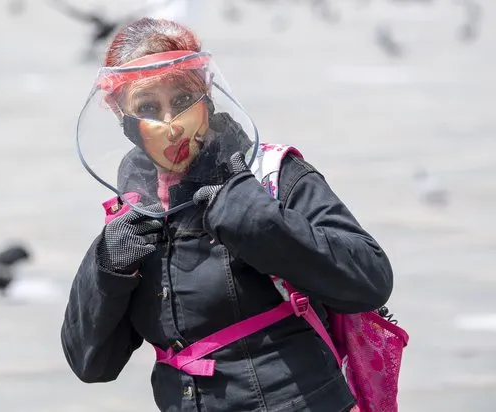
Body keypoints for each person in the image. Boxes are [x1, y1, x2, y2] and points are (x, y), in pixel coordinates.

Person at [62, 17, 393, 412]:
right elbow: (91, 364)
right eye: (148, 107)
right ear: (120, 114)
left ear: (206, 93)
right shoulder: (132, 213)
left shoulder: (270, 174)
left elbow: (370, 280)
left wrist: (248, 214)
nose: (170, 125)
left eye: (183, 100)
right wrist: (107, 269)